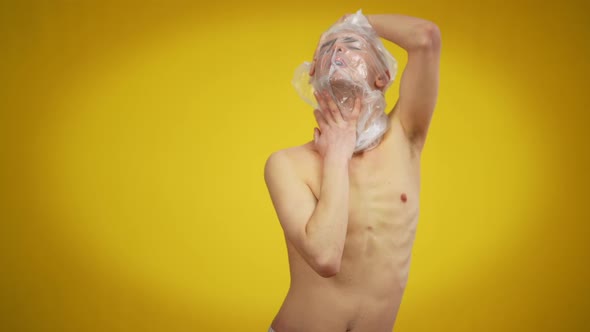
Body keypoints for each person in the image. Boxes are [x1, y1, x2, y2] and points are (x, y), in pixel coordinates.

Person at [264, 10, 441, 332]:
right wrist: (337, 154)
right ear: (314, 73)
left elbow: (426, 38)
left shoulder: (405, 136)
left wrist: (353, 20)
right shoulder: (286, 164)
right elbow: (325, 258)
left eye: (351, 43)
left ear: (383, 76)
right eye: (328, 48)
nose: (339, 51)